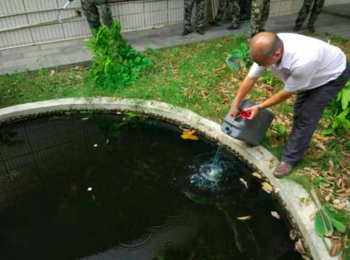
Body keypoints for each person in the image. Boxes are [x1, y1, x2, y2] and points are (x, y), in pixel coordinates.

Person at [230, 32, 350, 178]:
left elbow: (286, 93)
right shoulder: (267, 47)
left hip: (331, 75)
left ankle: (289, 159)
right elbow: (251, 77)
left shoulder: (304, 61)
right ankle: (297, 139)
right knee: (300, 110)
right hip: (311, 73)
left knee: (307, 115)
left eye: (263, 64)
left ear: (277, 54)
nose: (261, 67)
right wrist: (236, 103)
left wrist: (259, 107)